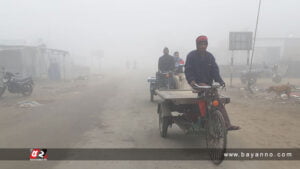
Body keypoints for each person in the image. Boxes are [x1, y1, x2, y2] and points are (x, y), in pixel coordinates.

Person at [184, 35, 240, 130]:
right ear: (197, 45)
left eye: (204, 44)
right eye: (200, 44)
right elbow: (188, 70)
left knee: (217, 102)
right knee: (205, 99)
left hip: (208, 86)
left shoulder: (210, 56)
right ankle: (204, 119)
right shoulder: (191, 56)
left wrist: (220, 81)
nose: (203, 46)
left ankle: (226, 124)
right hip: (197, 84)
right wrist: (192, 81)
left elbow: (215, 70)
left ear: (207, 45)